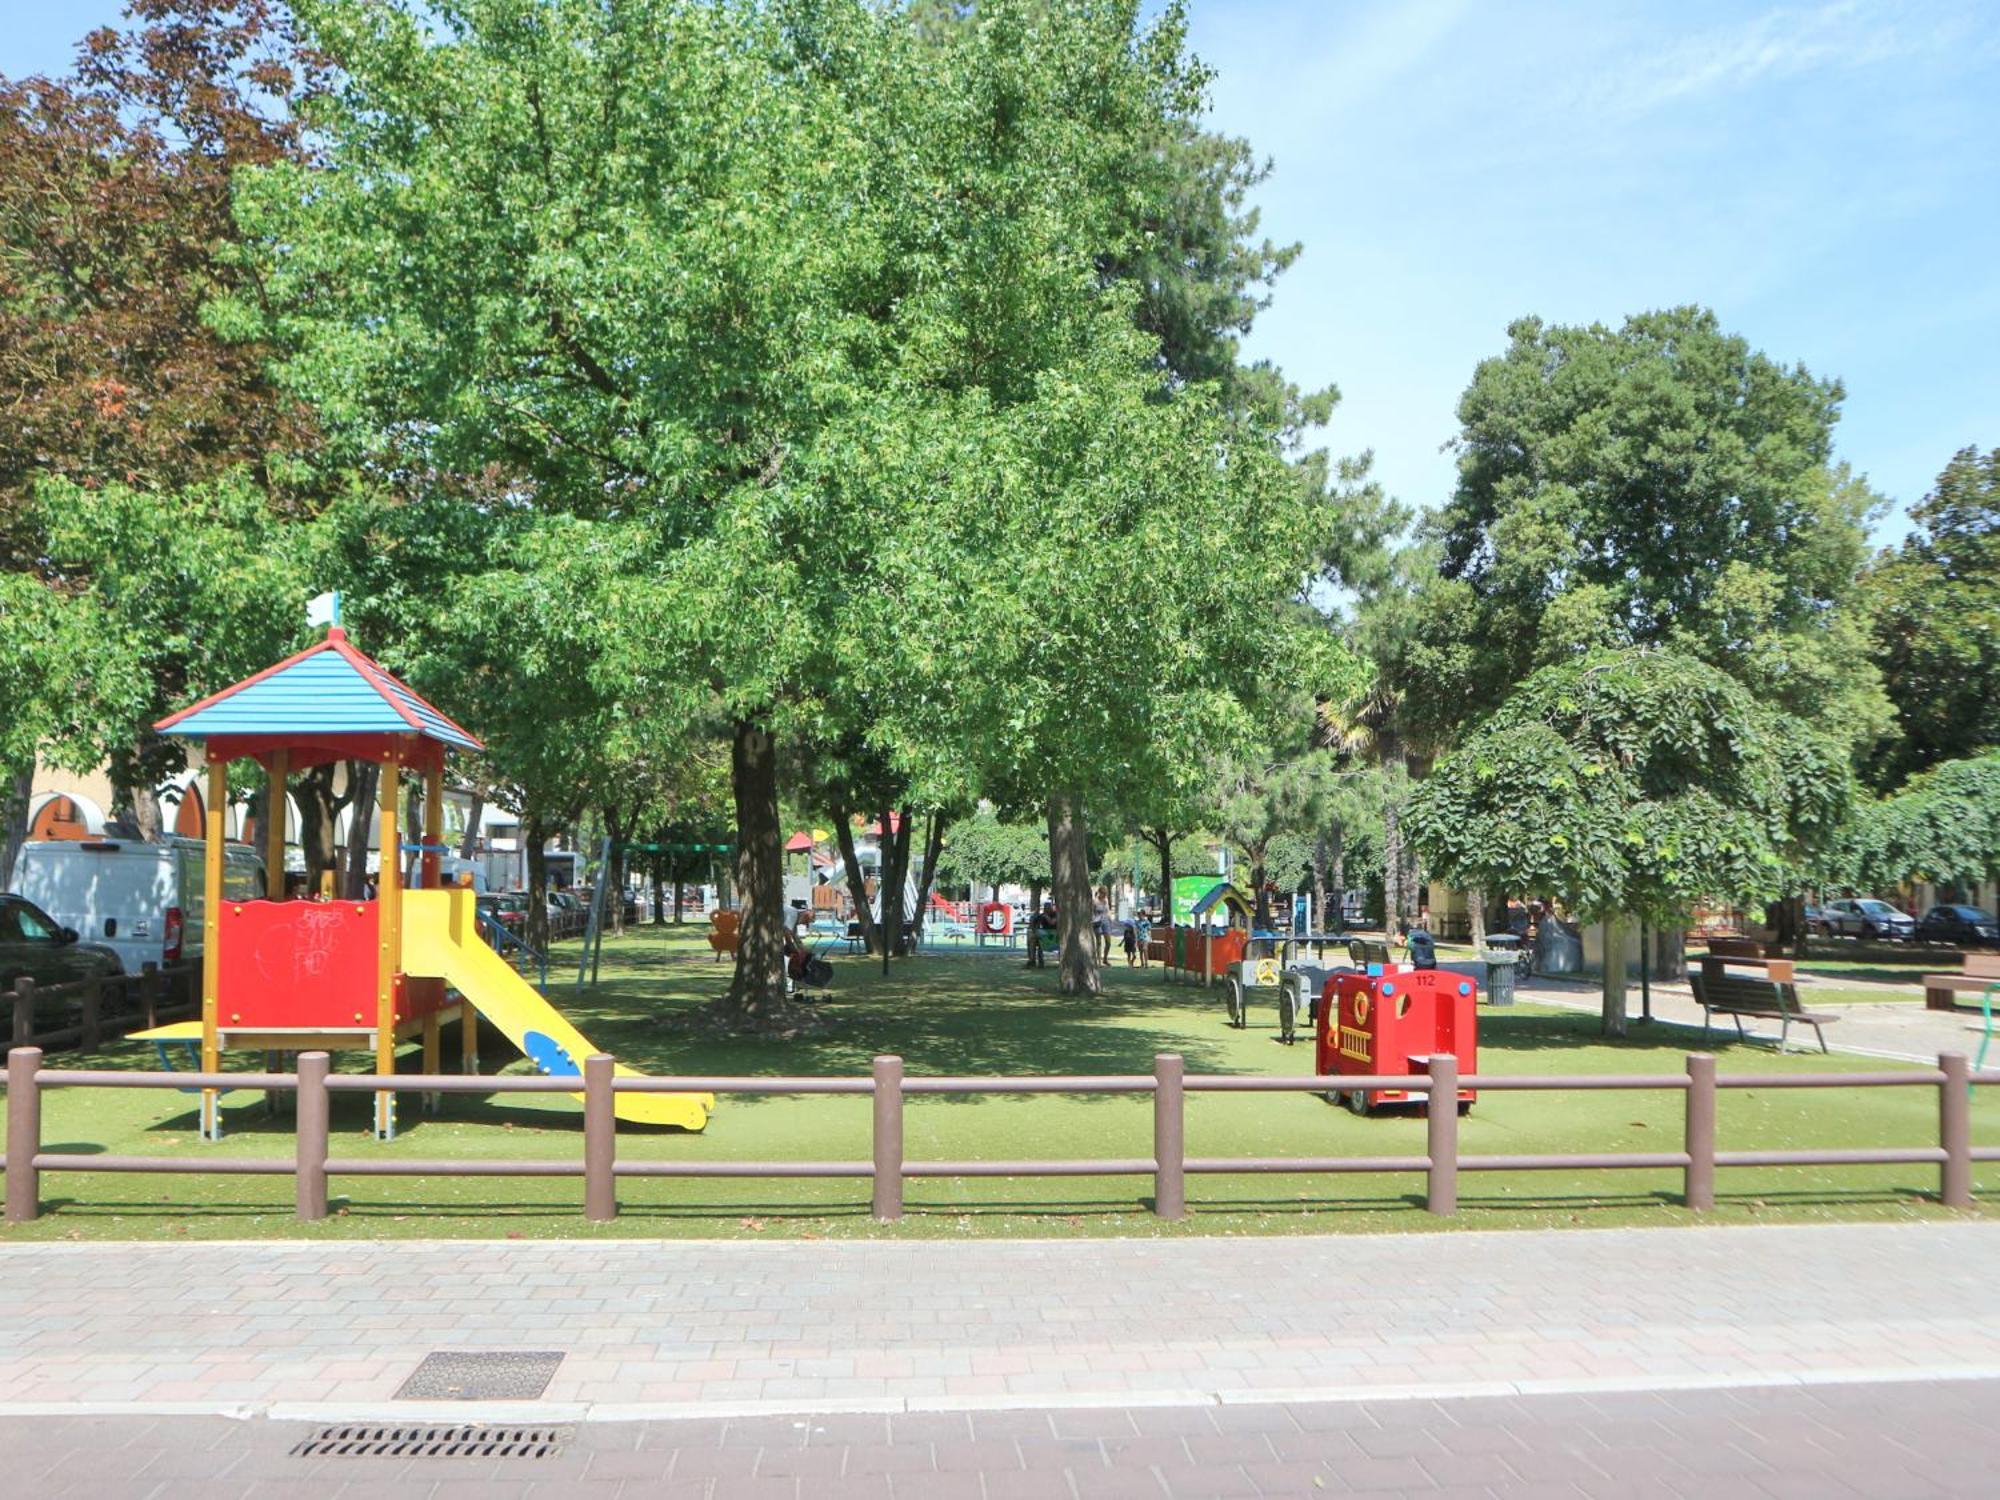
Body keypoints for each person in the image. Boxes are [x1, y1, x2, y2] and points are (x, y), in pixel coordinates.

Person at [1091, 888, 1112, 963]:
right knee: (1099, 942)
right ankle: (1099, 961)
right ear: (1099, 892)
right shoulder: (1094, 901)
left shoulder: (1105, 900)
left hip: (1105, 921)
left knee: (1108, 942)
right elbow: (1092, 912)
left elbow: (1108, 910)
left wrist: (1110, 919)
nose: (1104, 895)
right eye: (1103, 893)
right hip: (1097, 922)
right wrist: (1093, 920)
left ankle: (1105, 958)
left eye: (1105, 894)